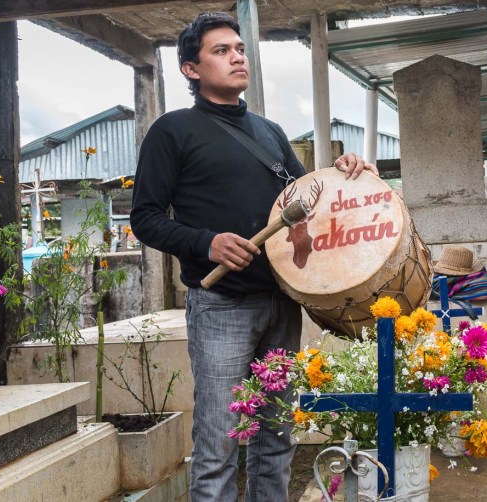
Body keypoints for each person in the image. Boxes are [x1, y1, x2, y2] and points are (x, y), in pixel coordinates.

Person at [130, 11, 377, 502]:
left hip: (281, 302)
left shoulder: (269, 132)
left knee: (276, 436)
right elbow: (146, 217)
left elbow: (306, 197)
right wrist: (207, 242)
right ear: (191, 70)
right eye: (221, 50)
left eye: (239, 48)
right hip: (221, 305)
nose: (237, 56)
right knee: (218, 441)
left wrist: (345, 170)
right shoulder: (172, 130)